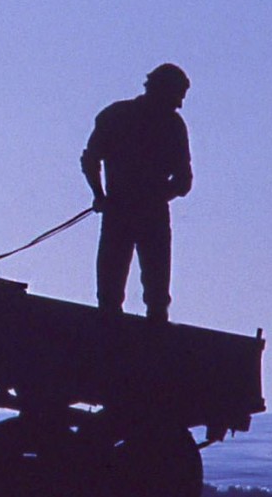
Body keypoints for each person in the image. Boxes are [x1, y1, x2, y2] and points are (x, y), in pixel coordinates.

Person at [80, 63, 193, 323]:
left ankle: (146, 338)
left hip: (134, 211)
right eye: (178, 96)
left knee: (151, 297)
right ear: (163, 91)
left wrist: (102, 196)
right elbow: (91, 159)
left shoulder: (119, 116)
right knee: (117, 293)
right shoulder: (121, 116)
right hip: (131, 212)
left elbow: (184, 181)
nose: (179, 105)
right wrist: (101, 196)